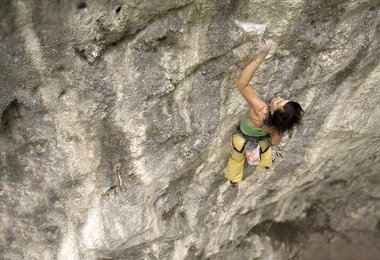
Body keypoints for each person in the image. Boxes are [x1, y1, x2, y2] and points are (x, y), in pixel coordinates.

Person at [225, 40, 304, 186]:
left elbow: (242, 84)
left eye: (279, 103)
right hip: (262, 140)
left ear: (276, 112)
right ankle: (264, 164)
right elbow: (274, 142)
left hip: (242, 137)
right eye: (283, 99)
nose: (278, 98)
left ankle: (234, 179)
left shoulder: (261, 108)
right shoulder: (278, 129)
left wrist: (259, 58)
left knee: (237, 156)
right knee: (266, 150)